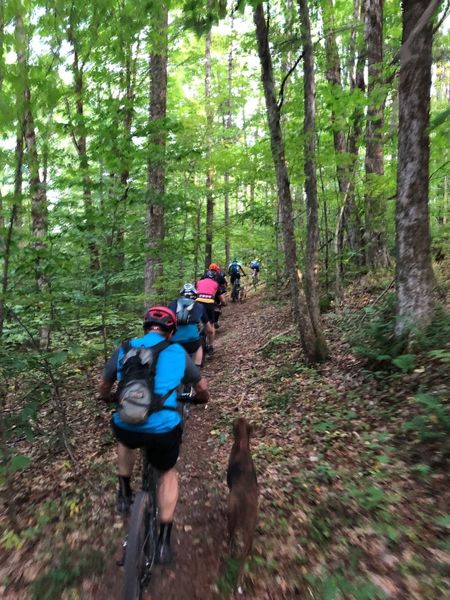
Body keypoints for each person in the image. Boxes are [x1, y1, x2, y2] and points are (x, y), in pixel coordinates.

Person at [98, 306, 209, 565]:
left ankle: (124, 492)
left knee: (125, 436)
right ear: (171, 331)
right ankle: (163, 543)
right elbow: (201, 386)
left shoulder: (124, 348)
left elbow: (104, 385)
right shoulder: (177, 351)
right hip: (163, 430)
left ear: (145, 327)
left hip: (127, 423)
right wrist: (201, 399)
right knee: (168, 473)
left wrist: (109, 398)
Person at [168, 283, 214, 367]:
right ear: (195, 294)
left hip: (174, 341)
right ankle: (197, 367)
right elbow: (210, 330)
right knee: (198, 345)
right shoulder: (199, 306)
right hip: (192, 342)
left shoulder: (172, 304)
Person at [195, 268, 220, 355]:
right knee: (211, 325)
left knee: (195, 321)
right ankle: (210, 346)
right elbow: (214, 295)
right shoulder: (216, 284)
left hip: (198, 303)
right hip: (209, 304)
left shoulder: (198, 282)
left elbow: (195, 292)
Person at [208, 263, 227, 329]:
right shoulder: (219, 275)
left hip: (205, 293)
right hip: (216, 293)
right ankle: (215, 321)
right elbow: (223, 282)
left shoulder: (205, 275)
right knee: (218, 305)